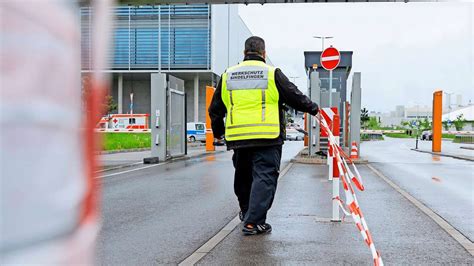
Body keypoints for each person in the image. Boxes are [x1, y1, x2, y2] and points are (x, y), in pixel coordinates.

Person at [209, 36, 319, 235]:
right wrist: (314, 109)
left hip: (239, 138)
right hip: (267, 137)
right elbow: (294, 96)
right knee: (264, 177)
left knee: (243, 177)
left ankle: (247, 212)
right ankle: (253, 222)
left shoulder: (228, 75)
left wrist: (218, 133)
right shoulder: (271, 73)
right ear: (264, 53)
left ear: (244, 53)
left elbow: (215, 109)